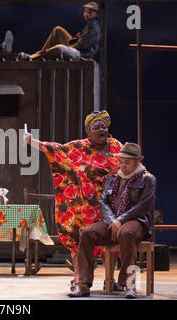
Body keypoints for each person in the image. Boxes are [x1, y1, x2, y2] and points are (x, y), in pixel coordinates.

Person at [24, 110, 122, 282]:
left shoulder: (116, 146)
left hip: (109, 206)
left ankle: (110, 280)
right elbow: (56, 149)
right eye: (96, 127)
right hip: (84, 207)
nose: (101, 130)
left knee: (110, 242)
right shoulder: (79, 147)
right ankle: (79, 278)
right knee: (78, 240)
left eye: (104, 126)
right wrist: (33, 142)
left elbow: (130, 165)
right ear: (88, 132)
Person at [68, 142, 156, 299]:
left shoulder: (148, 179)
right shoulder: (113, 178)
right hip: (112, 221)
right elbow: (103, 202)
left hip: (136, 222)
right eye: (121, 162)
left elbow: (142, 207)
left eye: (127, 163)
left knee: (126, 233)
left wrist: (120, 221)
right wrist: (112, 220)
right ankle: (83, 284)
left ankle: (130, 285)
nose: (122, 166)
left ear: (138, 161)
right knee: (87, 233)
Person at [27, 2, 100, 60]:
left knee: (60, 48)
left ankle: (33, 57)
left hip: (81, 53)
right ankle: (41, 54)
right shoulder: (89, 25)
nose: (87, 14)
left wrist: (68, 47)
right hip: (76, 47)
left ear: (96, 14)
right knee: (58, 30)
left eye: (90, 13)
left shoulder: (94, 27)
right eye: (85, 12)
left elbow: (82, 45)